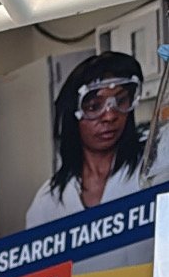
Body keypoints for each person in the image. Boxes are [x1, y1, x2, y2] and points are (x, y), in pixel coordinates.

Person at [26, 53, 169, 265]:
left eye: (121, 101)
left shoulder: (157, 163)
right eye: (94, 106)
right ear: (72, 116)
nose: (110, 116)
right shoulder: (48, 201)